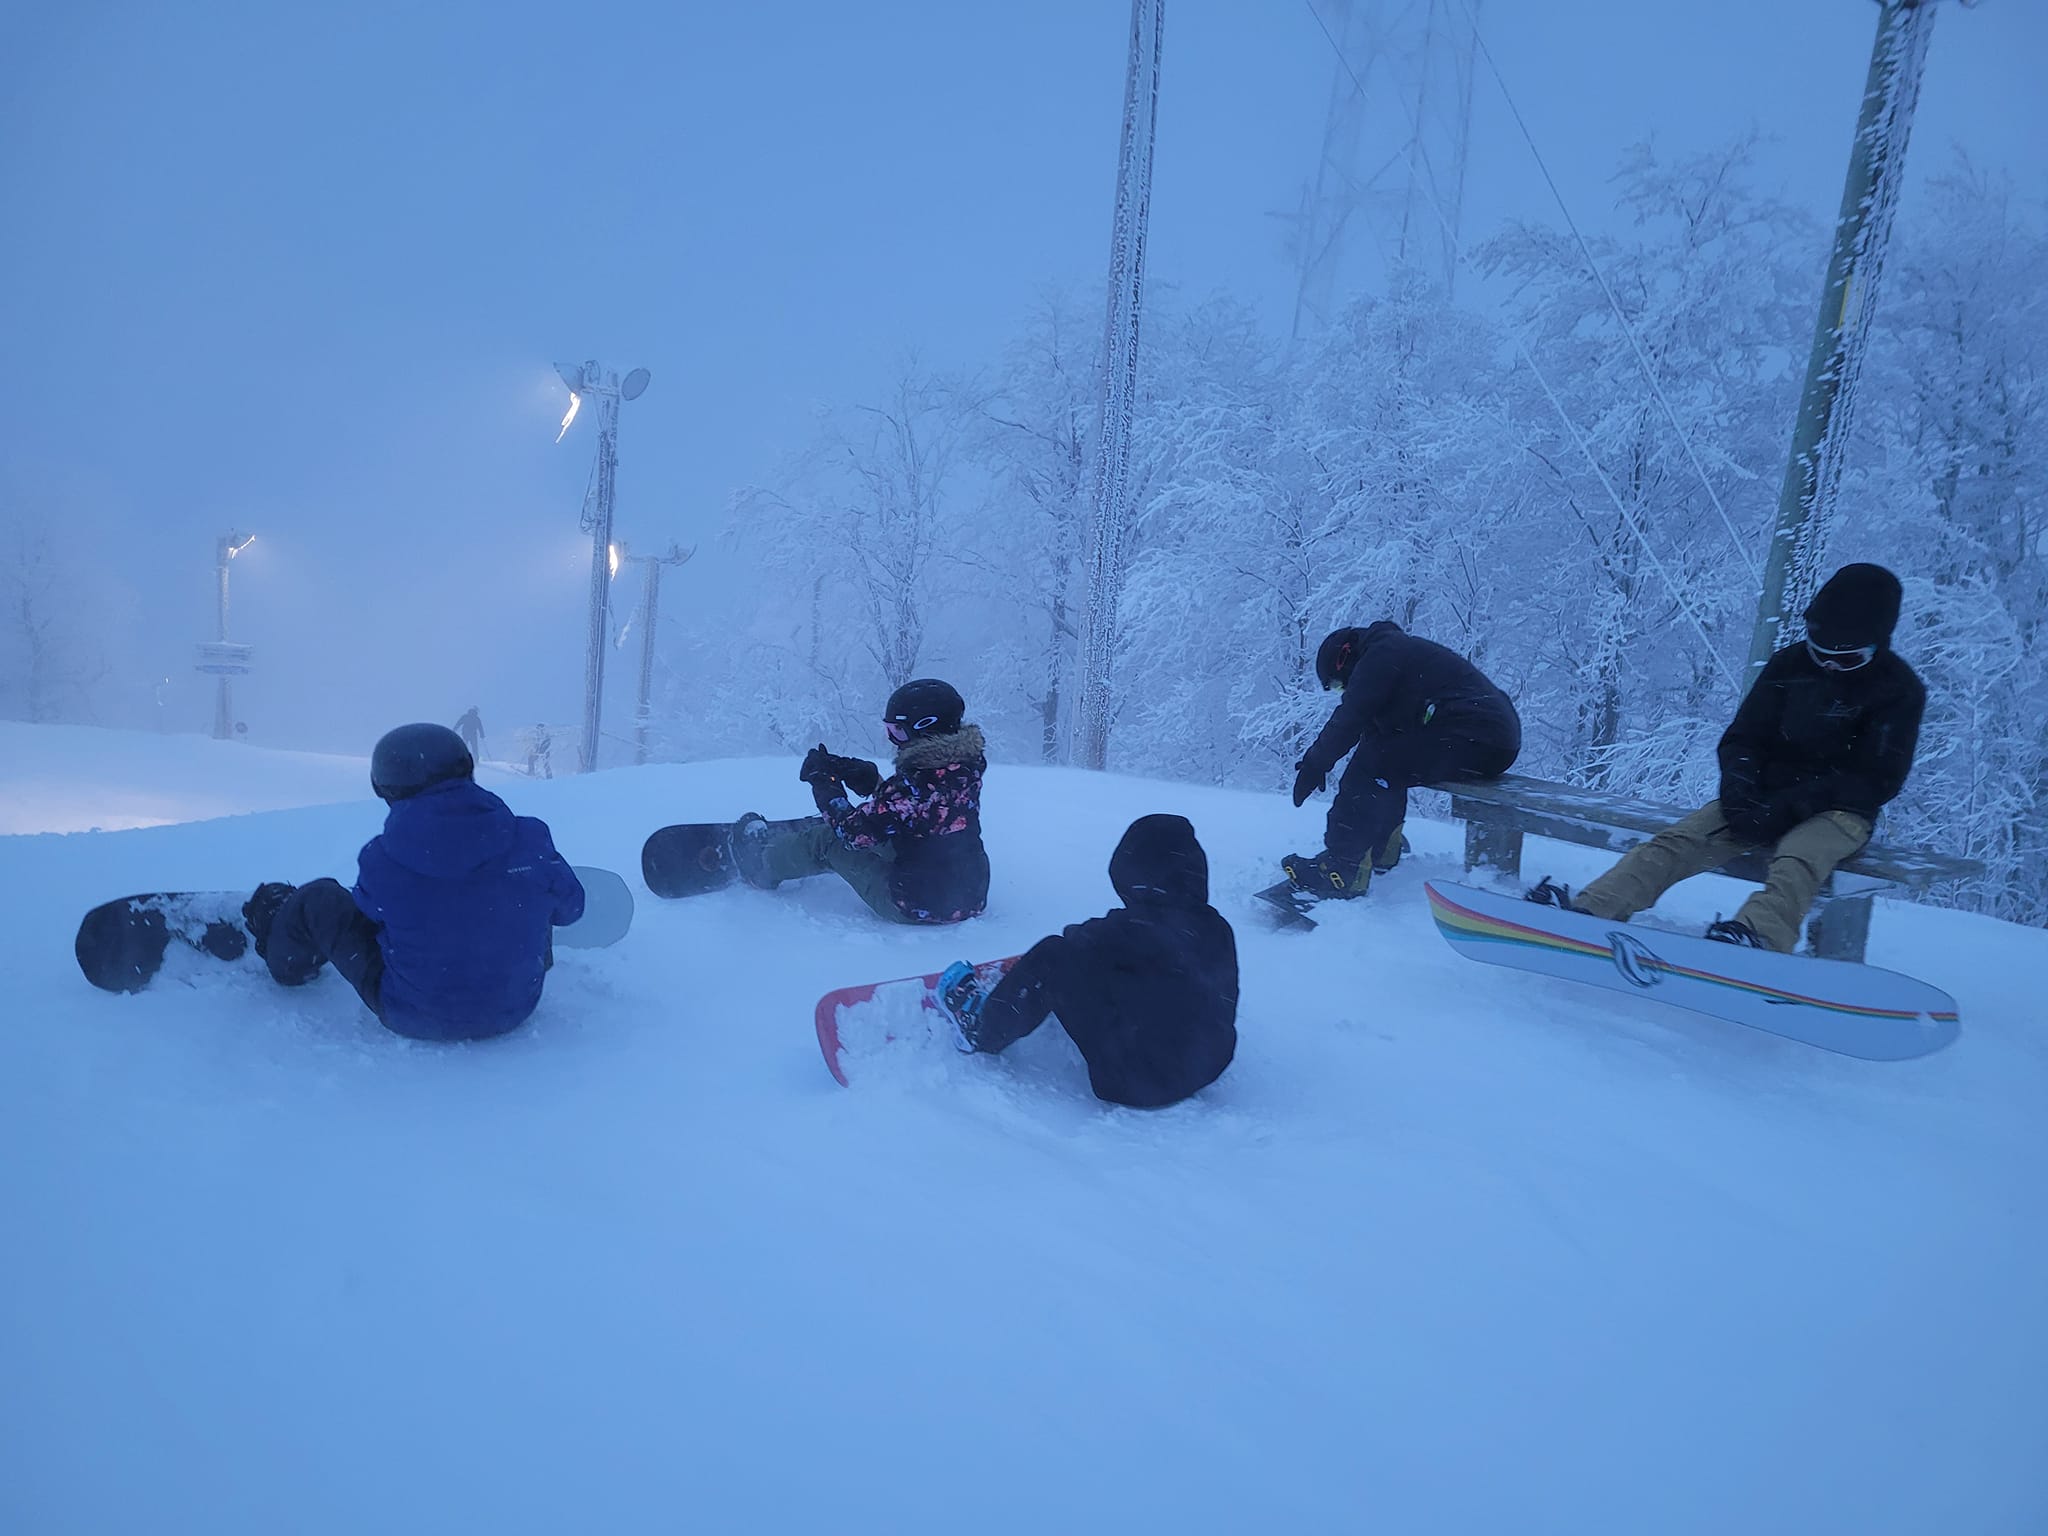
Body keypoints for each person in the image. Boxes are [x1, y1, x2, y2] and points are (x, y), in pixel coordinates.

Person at [1527, 563, 1925, 952]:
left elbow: (1878, 778)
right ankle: (1593, 908)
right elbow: (1744, 738)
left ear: (1879, 644)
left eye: (1849, 659)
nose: (1831, 666)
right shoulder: (1790, 666)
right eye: (1820, 654)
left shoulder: (1899, 690)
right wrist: (1739, 789)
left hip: (1841, 810)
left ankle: (1759, 936)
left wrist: (1794, 805)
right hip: (1763, 793)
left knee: (1798, 858)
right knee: (1678, 842)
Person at [242, 723, 585, 1040]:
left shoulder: (381, 859)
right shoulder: (531, 838)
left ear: (387, 788)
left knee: (320, 897)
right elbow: (571, 910)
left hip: (413, 1015)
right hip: (515, 1009)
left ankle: (286, 960)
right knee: (534, 888)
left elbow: (370, 916)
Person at [936, 813, 1237, 1109]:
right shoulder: (1216, 927)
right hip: (1205, 1067)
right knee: (1139, 976)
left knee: (1055, 954)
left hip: (1136, 1081)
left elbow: (1078, 939)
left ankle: (982, 1029)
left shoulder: (1131, 929)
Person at [1285, 621, 1521, 897]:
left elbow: (1350, 717)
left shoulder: (1382, 655)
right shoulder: (1396, 655)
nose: (1344, 690)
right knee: (1383, 755)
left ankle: (1342, 868)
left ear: (1344, 658)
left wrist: (1316, 763)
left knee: (1372, 763)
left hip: (1477, 735)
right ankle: (1383, 848)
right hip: (1491, 740)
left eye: (1338, 684)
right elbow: (1375, 734)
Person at [731, 678, 989, 924]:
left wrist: (824, 784)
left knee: (826, 840)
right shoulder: (965, 766)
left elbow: (851, 834)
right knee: (874, 830)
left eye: (897, 731)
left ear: (925, 728)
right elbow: (920, 809)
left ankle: (761, 866)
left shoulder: (915, 789)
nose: (892, 739)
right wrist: (867, 778)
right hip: (971, 892)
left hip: (917, 904)